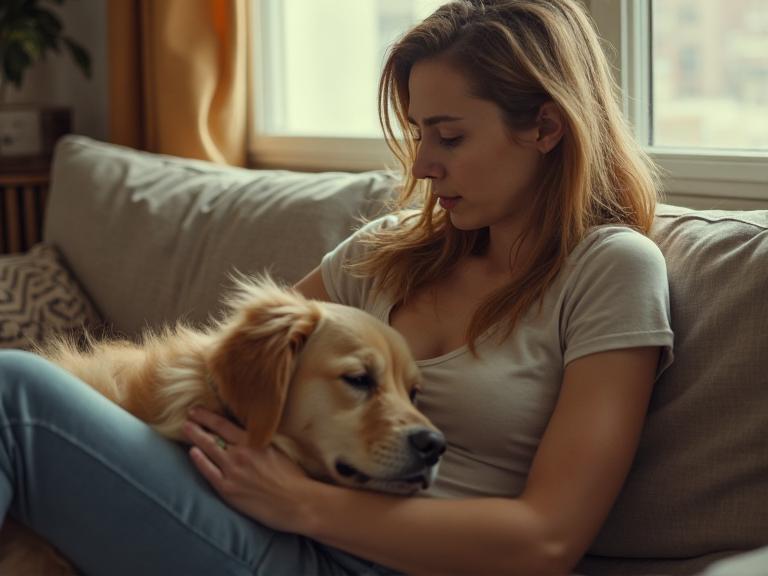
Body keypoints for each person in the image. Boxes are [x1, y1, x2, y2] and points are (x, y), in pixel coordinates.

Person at [0, 0, 673, 574]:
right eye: (418, 133)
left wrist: (303, 504)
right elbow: (228, 375)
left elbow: (548, 540)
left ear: (546, 128)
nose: (424, 164)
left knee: (13, 395)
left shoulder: (610, 270)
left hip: (356, 559)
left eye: (449, 136)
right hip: (252, 522)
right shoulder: (387, 253)